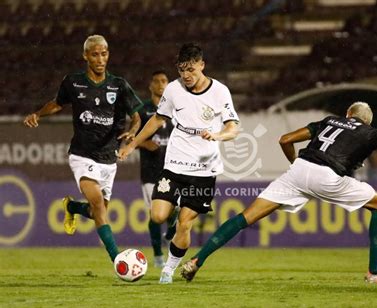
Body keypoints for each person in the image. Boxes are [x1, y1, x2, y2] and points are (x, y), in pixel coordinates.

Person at [181, 101, 377, 284]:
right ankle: (375, 273)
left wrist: (295, 165)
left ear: (347, 114)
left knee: (246, 216)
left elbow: (284, 139)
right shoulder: (370, 132)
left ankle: (196, 261)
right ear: (365, 121)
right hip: (328, 174)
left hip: (299, 169)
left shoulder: (329, 121)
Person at [118, 43, 240, 283]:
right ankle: (174, 212)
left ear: (202, 65)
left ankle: (169, 269)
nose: (186, 75)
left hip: (204, 171)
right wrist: (132, 144)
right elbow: (156, 120)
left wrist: (218, 136)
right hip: (174, 164)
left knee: (185, 225)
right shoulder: (173, 90)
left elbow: (233, 128)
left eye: (191, 70)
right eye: (182, 70)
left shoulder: (220, 92)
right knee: (157, 216)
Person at [23, 35, 142, 263]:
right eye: (95, 54)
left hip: (110, 158)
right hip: (82, 154)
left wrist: (133, 131)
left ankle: (73, 207)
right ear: (85, 56)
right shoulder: (73, 82)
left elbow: (136, 117)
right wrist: (37, 114)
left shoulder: (119, 85)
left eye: (104, 53)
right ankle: (118, 260)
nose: (100, 59)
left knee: (98, 212)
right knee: (97, 203)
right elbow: (58, 103)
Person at [137, 70, 178, 268]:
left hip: (172, 171)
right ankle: (158, 256)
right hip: (150, 172)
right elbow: (132, 138)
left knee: (175, 212)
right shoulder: (142, 110)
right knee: (155, 214)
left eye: (164, 81)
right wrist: (145, 143)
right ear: (150, 86)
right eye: (157, 81)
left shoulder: (177, 110)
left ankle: (169, 235)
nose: (161, 84)